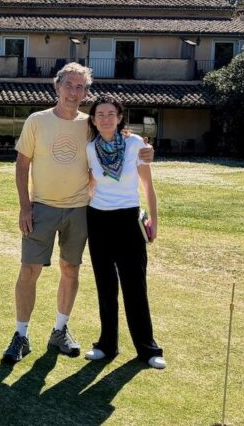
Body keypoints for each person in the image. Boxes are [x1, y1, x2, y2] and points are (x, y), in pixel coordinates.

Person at [2, 63, 154, 364]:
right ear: (57, 86)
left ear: (86, 92)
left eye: (81, 87)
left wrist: (146, 150)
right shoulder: (36, 120)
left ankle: (60, 330)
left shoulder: (90, 124)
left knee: (70, 270)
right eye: (69, 85)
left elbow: (118, 134)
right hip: (41, 208)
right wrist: (25, 206)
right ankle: (21, 335)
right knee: (29, 270)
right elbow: (22, 165)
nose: (74, 92)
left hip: (80, 210)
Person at [83, 96, 165, 369]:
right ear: (94, 120)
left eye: (111, 114)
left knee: (135, 285)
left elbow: (148, 186)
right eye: (100, 114)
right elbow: (91, 183)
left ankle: (148, 349)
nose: (106, 119)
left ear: (119, 118)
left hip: (129, 219)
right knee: (105, 285)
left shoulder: (135, 144)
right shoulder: (90, 149)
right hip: (98, 220)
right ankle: (107, 345)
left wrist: (154, 221)